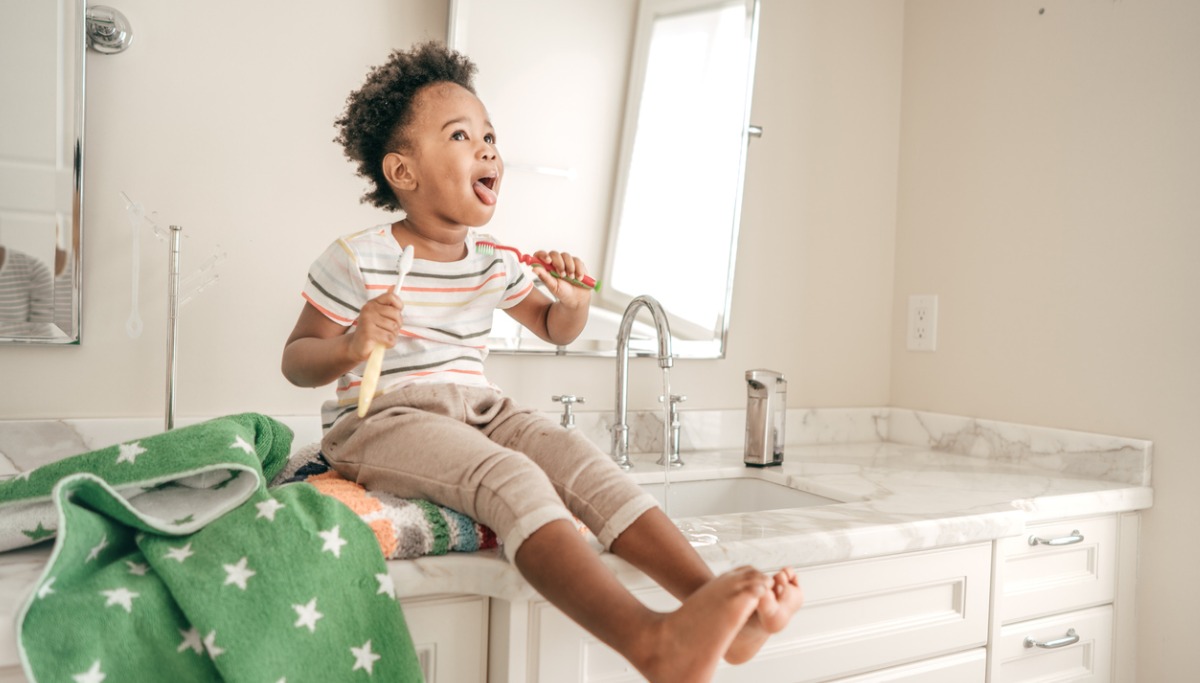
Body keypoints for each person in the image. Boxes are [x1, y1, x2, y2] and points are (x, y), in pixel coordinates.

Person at [281, 41, 802, 682]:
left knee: (583, 463)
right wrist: (352, 345)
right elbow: (298, 360)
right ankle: (650, 642)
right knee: (514, 479)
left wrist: (575, 303)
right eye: (461, 134)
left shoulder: (494, 261)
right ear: (404, 173)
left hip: (478, 408)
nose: (488, 148)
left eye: (490, 135)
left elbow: (556, 329)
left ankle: (711, 602)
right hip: (385, 418)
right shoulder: (358, 257)